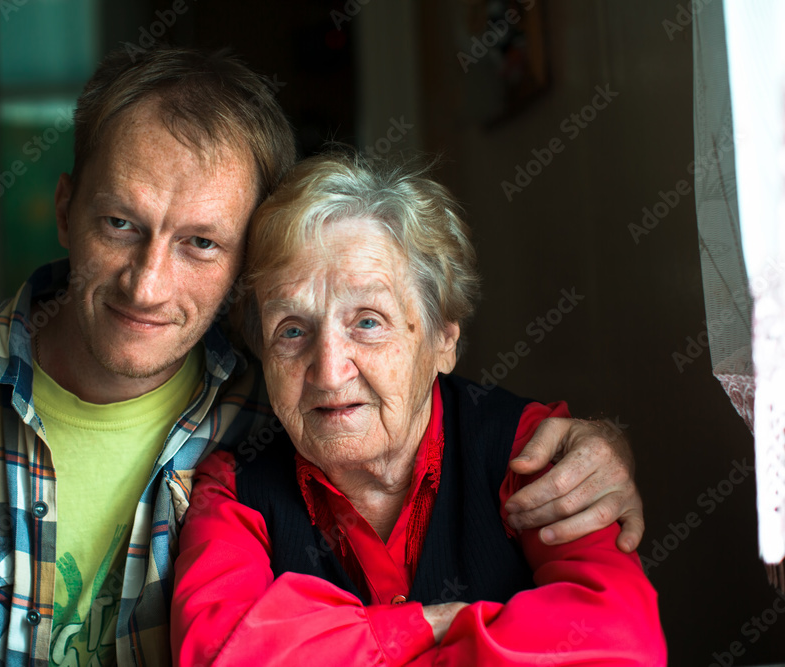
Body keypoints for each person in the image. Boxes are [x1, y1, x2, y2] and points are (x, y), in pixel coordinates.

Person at [0, 48, 642, 667]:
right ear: (65, 210)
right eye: (120, 224)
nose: (148, 283)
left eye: (200, 242)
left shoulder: (284, 405)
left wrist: (601, 446)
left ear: (243, 273)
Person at [171, 152, 666, 665]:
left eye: (367, 322)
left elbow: (622, 641)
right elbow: (217, 655)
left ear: (443, 338)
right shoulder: (234, 490)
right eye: (292, 330)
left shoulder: (528, 451)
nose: (329, 370)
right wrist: (434, 623)